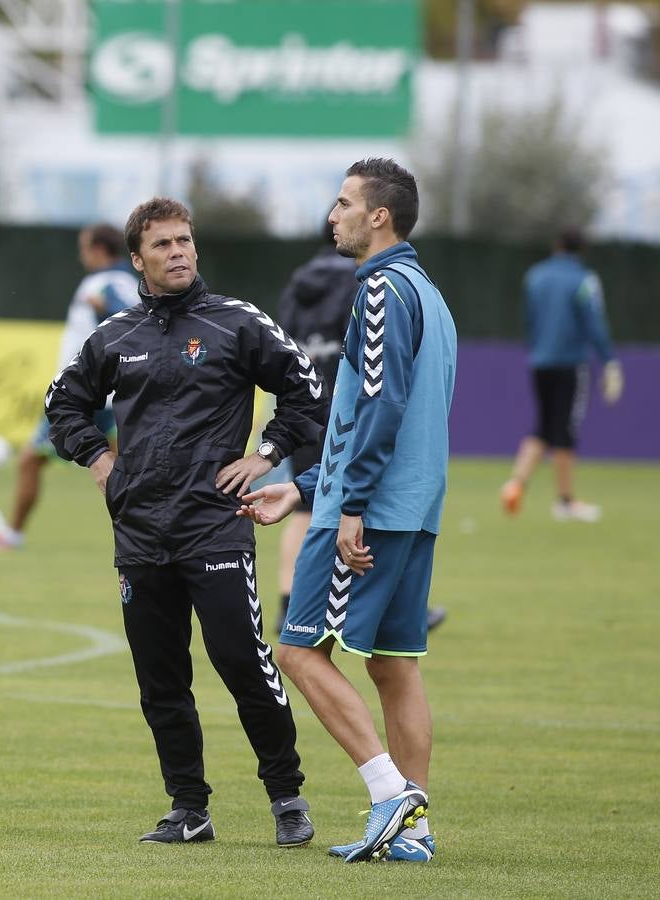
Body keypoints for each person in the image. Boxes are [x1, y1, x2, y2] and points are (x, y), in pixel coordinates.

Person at [46, 197, 327, 848]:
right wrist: (95, 455)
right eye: (163, 245)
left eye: (184, 241)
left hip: (213, 524)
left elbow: (305, 392)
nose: (177, 252)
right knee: (160, 679)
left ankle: (285, 796)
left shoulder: (236, 323)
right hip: (141, 530)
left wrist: (265, 455)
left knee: (241, 662)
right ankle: (187, 808)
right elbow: (62, 404)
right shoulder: (115, 335)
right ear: (137, 259)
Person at [242, 158, 457, 864]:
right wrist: (303, 486)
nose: (330, 215)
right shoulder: (427, 293)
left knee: (298, 650)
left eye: (342, 203)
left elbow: (379, 404)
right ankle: (414, 830)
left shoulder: (377, 291)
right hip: (414, 507)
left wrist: (348, 503)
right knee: (395, 665)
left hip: (366, 510)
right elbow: (371, 409)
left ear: (378, 217)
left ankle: (389, 793)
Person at [275, 222, 448, 635]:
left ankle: (288, 599)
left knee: (303, 508)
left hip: (303, 405)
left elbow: (283, 341)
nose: (338, 216)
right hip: (348, 417)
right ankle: (366, 602)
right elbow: (378, 386)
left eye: (344, 205)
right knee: (303, 653)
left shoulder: (298, 281)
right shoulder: (375, 286)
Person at [0, 223, 137, 549]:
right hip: (110, 394)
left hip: (82, 396)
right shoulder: (129, 280)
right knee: (125, 472)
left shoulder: (105, 283)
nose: (81, 254)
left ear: (100, 250)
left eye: (84, 247)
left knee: (30, 460)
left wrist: (107, 308)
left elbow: (126, 315)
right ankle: (143, 537)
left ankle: (13, 535)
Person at [500, 228, 623, 522]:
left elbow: (529, 318)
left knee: (544, 425)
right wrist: (609, 361)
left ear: (557, 245)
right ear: (582, 250)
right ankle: (566, 501)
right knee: (565, 430)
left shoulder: (535, 276)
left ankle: (515, 483)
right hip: (570, 362)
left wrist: (538, 347)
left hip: (540, 360)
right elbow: (594, 323)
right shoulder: (584, 279)